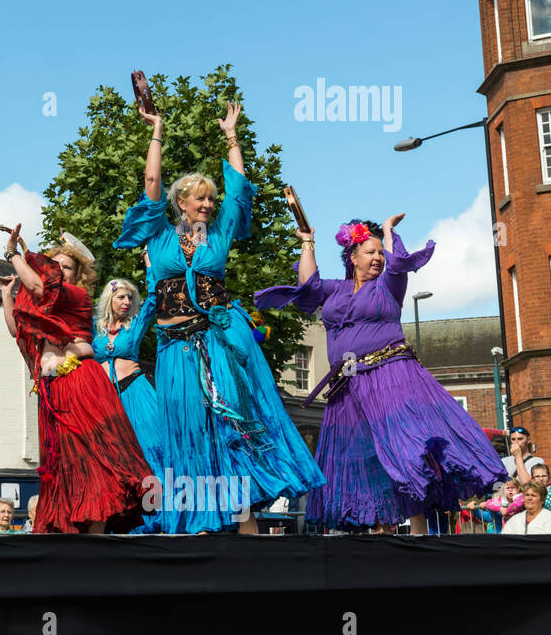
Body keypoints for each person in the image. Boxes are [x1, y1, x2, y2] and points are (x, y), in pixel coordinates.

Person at [115, 101, 324, 534]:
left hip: (217, 342)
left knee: (231, 425)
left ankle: (246, 530)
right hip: (174, 351)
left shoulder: (221, 232)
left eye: (211, 199)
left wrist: (232, 136)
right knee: (188, 433)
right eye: (200, 199)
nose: (209, 204)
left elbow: (241, 187)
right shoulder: (157, 233)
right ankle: (198, 527)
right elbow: (151, 180)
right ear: (180, 203)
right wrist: (156, 129)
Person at [256, 215, 507, 534]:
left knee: (404, 447)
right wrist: (307, 240)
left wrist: (388, 232)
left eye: (380, 252)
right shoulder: (336, 289)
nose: (377, 258)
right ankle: (381, 529)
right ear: (352, 256)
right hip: (347, 386)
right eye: (370, 252)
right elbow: (309, 286)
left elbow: (399, 263)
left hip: (390, 376)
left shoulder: (389, 285)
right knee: (362, 457)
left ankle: (417, 529)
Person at [0, 228, 153, 534]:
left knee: (91, 458)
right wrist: (7, 298)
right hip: (52, 391)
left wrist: (13, 254)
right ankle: (74, 536)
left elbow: (38, 285)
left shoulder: (77, 296)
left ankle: (96, 535)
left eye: (65, 267)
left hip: (80, 382)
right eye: (53, 266)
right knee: (65, 465)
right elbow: (19, 330)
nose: (58, 271)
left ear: (77, 274)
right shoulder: (42, 306)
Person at [91, 278, 165, 532]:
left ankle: (156, 519)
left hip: (135, 391)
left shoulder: (134, 326)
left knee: (149, 451)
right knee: (112, 458)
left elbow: (153, 299)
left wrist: (150, 265)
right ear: (109, 299)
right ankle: (118, 518)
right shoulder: (95, 328)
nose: (127, 302)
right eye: (121, 297)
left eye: (130, 298)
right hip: (105, 398)